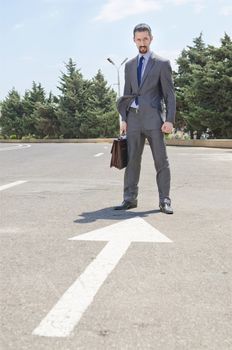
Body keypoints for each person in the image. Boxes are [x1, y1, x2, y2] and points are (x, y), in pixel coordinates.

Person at [114, 23, 176, 214]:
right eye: (139, 39)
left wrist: (170, 120)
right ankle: (129, 199)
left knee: (161, 161)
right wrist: (124, 118)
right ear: (134, 40)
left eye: (145, 39)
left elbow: (170, 95)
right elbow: (126, 94)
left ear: (151, 39)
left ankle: (164, 200)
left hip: (154, 120)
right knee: (132, 160)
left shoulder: (162, 63)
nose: (142, 42)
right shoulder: (130, 65)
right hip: (133, 120)